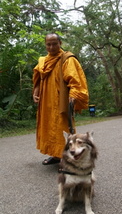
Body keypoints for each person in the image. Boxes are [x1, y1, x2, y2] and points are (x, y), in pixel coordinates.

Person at [33, 33, 89, 165]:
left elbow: (75, 80)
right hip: (46, 101)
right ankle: (56, 155)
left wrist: (74, 97)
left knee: (64, 129)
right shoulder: (43, 61)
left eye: (54, 44)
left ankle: (69, 158)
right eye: (48, 44)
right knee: (49, 128)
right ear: (45, 45)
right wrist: (35, 91)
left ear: (60, 43)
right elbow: (38, 78)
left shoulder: (67, 59)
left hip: (61, 101)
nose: (51, 47)